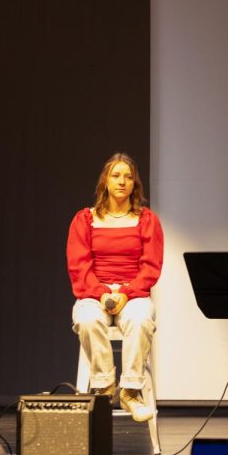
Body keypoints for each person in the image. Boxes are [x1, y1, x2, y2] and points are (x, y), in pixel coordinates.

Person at [67, 153, 164, 422]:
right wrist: (102, 294)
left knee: (140, 318)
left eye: (128, 176)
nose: (122, 181)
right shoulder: (85, 219)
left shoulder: (147, 220)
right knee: (86, 319)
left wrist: (125, 293)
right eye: (116, 175)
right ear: (105, 182)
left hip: (132, 293)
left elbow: (151, 266)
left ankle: (131, 390)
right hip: (93, 293)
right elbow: (79, 267)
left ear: (135, 184)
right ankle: (105, 385)